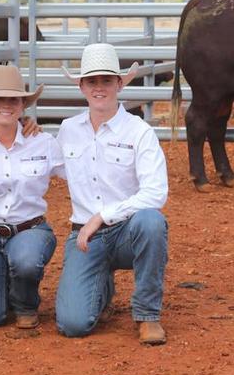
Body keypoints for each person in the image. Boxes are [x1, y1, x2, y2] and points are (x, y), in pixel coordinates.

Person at [55, 43, 169, 345]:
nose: (99, 87)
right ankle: (100, 286)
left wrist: (103, 216)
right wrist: (21, 127)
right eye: (92, 81)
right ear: (81, 86)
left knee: (151, 222)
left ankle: (147, 314)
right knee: (73, 324)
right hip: (85, 238)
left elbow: (156, 192)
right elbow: (41, 161)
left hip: (127, 231)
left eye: (106, 80)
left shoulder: (138, 131)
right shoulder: (67, 130)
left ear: (119, 83)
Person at [0, 65, 63, 329]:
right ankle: (3, 280)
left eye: (13, 99)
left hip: (29, 229)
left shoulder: (44, 143)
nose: (6, 105)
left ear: (22, 105)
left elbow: (81, 174)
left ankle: (26, 302)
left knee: (26, 261)